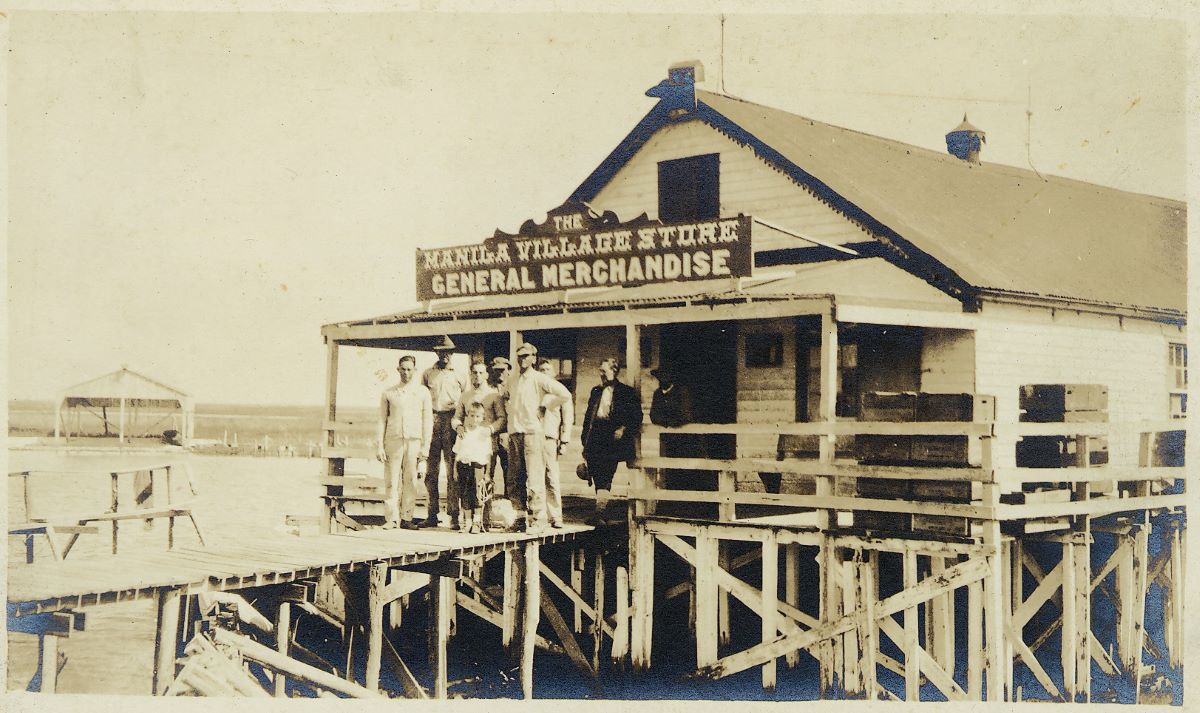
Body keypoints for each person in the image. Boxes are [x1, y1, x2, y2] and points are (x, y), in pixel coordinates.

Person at [503, 342, 572, 532]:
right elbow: (506, 398)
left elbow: (564, 394)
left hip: (533, 433)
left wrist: (546, 404)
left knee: (535, 478)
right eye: (519, 356)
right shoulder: (512, 380)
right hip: (515, 433)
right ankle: (519, 518)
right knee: (515, 479)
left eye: (526, 356)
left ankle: (537, 520)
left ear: (534, 358)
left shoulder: (539, 378)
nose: (522, 359)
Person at [581, 357, 643, 525]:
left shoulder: (625, 392)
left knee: (606, 474)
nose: (601, 374)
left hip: (612, 438)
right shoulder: (596, 391)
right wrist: (584, 440)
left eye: (604, 370)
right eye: (600, 370)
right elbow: (588, 417)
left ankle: (600, 512)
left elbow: (637, 416)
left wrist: (623, 428)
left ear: (614, 371)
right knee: (596, 473)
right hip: (596, 437)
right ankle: (600, 511)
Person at [377, 355, 433, 530]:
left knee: (411, 480)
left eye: (409, 369)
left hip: (414, 440)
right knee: (392, 480)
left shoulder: (423, 392)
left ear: (415, 370)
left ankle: (407, 517)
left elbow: (427, 421)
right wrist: (379, 445)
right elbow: (381, 420)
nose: (406, 373)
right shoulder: (389, 393)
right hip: (393, 440)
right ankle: (392, 518)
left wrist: (425, 449)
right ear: (398, 369)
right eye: (403, 369)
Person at [421, 337, 467, 528]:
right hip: (432, 420)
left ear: (452, 353)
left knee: (452, 471)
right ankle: (432, 514)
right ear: (436, 353)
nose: (444, 355)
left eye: (448, 352)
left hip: (450, 421)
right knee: (431, 471)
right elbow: (422, 399)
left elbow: (464, 402)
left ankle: (454, 515)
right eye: (441, 351)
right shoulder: (427, 374)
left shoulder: (459, 375)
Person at [454, 359, 506, 523]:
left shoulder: (494, 395)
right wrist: (458, 427)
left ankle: (485, 519)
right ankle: (469, 520)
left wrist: (489, 430)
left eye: (481, 372)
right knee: (467, 484)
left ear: (486, 375)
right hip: (468, 446)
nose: (477, 376)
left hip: (486, 445)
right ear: (471, 374)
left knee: (485, 481)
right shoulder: (465, 396)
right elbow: (457, 417)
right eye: (474, 372)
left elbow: (502, 418)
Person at [537, 359, 574, 529]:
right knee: (534, 477)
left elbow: (568, 418)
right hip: (532, 438)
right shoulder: (534, 391)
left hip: (549, 438)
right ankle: (538, 515)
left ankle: (556, 516)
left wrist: (564, 440)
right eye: (541, 369)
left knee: (551, 477)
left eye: (547, 369)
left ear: (553, 373)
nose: (544, 372)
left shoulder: (560, 394)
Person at [452, 402, 492, 533]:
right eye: (472, 415)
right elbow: (457, 452)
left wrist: (487, 474)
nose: (474, 419)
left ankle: (476, 523)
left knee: (477, 495)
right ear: (467, 416)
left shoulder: (483, 433)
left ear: (482, 418)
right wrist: (454, 470)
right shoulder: (462, 432)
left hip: (477, 467)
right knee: (464, 495)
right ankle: (467, 523)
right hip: (463, 466)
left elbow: (488, 454)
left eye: (478, 417)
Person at [487, 356, 512, 497]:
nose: (500, 373)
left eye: (503, 370)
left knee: (509, 469)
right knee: (488, 469)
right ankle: (487, 501)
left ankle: (510, 500)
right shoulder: (488, 389)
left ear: (508, 370)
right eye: (496, 370)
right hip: (491, 433)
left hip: (507, 433)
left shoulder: (512, 387)